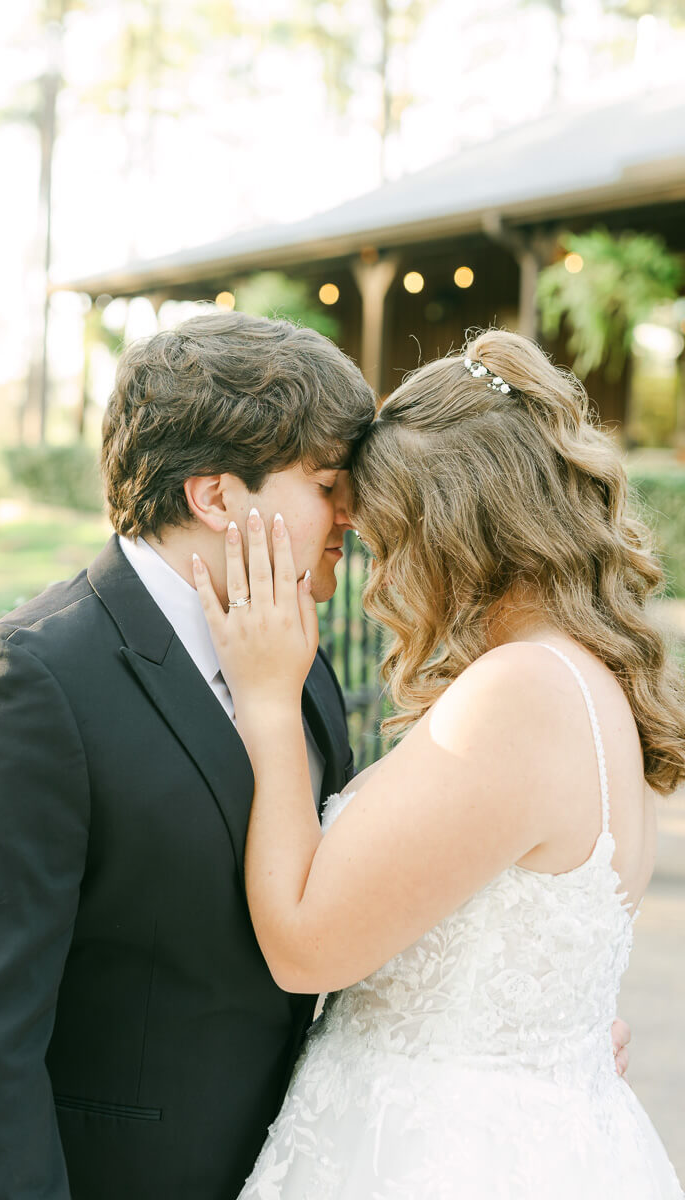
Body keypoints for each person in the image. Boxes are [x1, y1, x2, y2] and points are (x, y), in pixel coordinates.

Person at [0, 312, 376, 1200]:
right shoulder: (21, 687)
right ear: (217, 497)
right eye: (329, 484)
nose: (352, 515)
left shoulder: (301, 668)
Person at [193, 329, 685, 1199]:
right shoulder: (578, 674)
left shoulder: (523, 692)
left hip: (436, 1158)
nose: (377, 581)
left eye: (387, 546)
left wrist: (268, 704)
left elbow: (307, 950)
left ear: (452, 537)